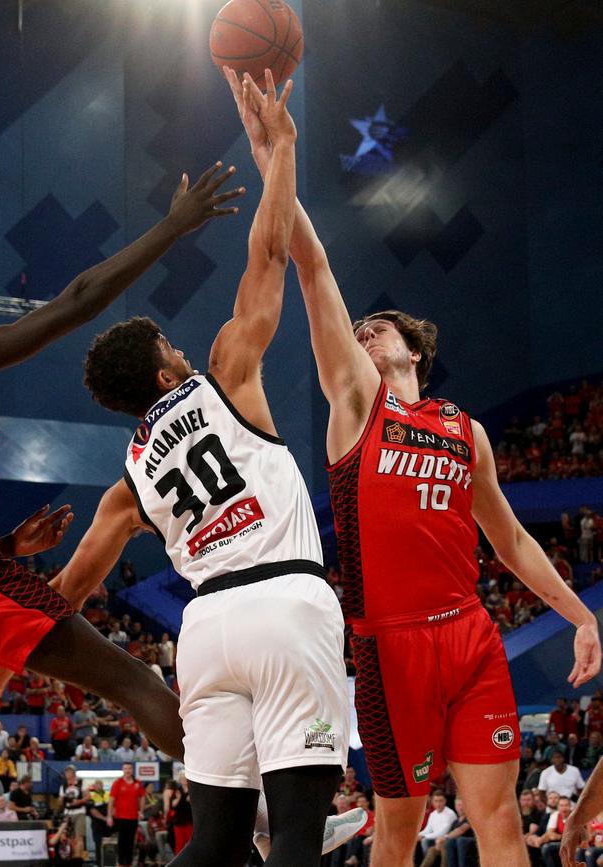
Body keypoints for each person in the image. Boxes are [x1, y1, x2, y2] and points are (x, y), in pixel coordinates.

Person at [223, 66, 602, 867]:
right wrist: (275, 159)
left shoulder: (465, 429)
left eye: (376, 327)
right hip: (388, 647)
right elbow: (315, 269)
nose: (361, 333)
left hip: (469, 634)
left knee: (496, 817)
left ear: (415, 348)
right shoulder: (361, 406)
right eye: (355, 331)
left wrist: (579, 614)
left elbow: (511, 541)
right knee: (397, 828)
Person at [49, 71, 351, 867]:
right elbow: (270, 251)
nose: (183, 352)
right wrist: (279, 149)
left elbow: (70, 592)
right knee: (293, 833)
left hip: (205, 631)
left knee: (215, 841)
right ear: (163, 373)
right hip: (285, 601)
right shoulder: (224, 374)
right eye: (170, 351)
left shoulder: (128, 478)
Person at [0, 160, 243, 763]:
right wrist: (170, 230)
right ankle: (273, 814)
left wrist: (5, 548)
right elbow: (78, 301)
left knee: (131, 683)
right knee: (135, 682)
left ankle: (263, 820)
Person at [107, 763, 145, 867]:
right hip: (120, 817)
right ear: (123, 770)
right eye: (125, 768)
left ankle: (128, 863)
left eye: (129, 768)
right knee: (121, 841)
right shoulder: (117, 783)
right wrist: (109, 816)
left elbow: (142, 797)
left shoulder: (138, 783)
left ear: (132, 770)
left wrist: (141, 811)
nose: (127, 770)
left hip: (133, 818)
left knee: (131, 842)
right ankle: (120, 863)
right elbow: (111, 800)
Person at [88, 780, 110, 867]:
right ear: (94, 786)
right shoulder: (91, 796)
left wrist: (110, 817)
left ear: (103, 785)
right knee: (98, 844)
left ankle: (108, 863)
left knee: (109, 845)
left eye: (100, 784)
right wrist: (104, 818)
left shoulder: (107, 795)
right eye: (97, 784)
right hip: (97, 824)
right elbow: (93, 811)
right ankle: (99, 864)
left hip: (108, 825)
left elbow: (112, 806)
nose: (99, 786)